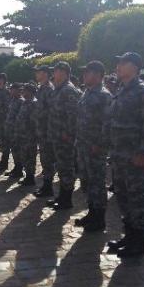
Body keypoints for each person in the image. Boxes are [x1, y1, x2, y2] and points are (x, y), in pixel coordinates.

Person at [105, 52, 144, 258]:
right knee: (123, 197)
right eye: (118, 62)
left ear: (135, 67)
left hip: (135, 157)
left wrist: (143, 152)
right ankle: (129, 236)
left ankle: (138, 243)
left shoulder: (143, 92)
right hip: (119, 155)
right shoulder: (122, 90)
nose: (118, 66)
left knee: (137, 198)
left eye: (123, 63)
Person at [74, 60, 112, 232]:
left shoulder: (104, 95)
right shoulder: (87, 93)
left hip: (95, 148)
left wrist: (100, 144)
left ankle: (99, 218)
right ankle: (91, 213)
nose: (84, 75)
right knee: (87, 182)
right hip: (83, 145)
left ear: (97, 75)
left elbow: (107, 123)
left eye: (87, 72)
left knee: (97, 182)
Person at [46, 61, 81, 210]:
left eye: (57, 71)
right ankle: (62, 195)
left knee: (66, 167)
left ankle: (67, 199)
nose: (54, 73)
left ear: (65, 73)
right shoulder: (58, 89)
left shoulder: (68, 90)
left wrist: (68, 133)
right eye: (54, 70)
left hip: (65, 138)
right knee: (61, 167)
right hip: (57, 135)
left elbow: (73, 115)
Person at [33, 65, 55, 197]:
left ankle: (48, 187)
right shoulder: (41, 88)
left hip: (47, 130)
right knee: (44, 158)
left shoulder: (49, 89)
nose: (36, 74)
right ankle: (46, 185)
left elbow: (51, 111)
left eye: (38, 72)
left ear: (46, 74)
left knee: (48, 159)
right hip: (41, 129)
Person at [15, 83, 38, 186]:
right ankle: (28, 176)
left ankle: (30, 178)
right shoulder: (25, 102)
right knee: (24, 156)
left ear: (30, 91)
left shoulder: (33, 103)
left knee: (30, 157)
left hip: (30, 136)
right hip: (23, 135)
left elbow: (34, 122)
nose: (22, 92)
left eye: (24, 90)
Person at [4, 83, 24, 179]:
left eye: (12, 89)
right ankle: (16, 167)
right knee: (14, 150)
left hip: (17, 131)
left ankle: (19, 169)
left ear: (17, 90)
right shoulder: (13, 100)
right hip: (10, 129)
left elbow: (21, 118)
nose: (10, 91)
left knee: (18, 150)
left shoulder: (21, 101)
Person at [0, 73, 11, 171]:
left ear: (2, 80)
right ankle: (3, 161)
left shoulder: (5, 92)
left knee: (5, 142)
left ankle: (4, 162)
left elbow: (7, 107)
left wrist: (0, 115)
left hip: (4, 120)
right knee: (1, 141)